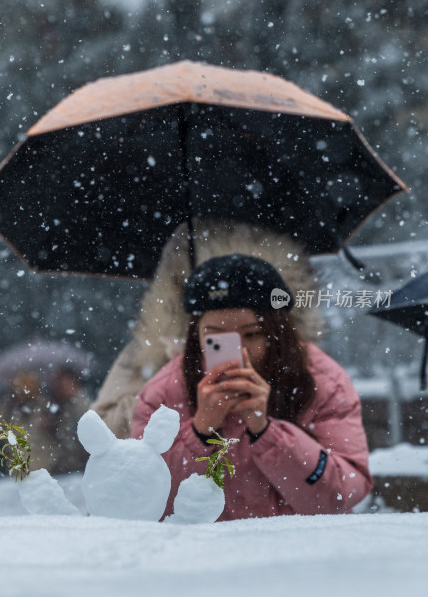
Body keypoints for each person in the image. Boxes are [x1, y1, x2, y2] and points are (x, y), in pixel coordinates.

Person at [131, 254, 373, 520]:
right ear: (195, 334)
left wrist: (267, 432)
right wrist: (200, 429)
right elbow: (144, 498)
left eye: (252, 334)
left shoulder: (323, 381)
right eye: (215, 337)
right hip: (203, 553)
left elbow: (342, 494)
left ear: (279, 330)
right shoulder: (165, 393)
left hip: (302, 549)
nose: (239, 351)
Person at [92, 219, 322, 439]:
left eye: (252, 333)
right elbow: (104, 435)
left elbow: (333, 466)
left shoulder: (307, 364)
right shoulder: (152, 350)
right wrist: (170, 381)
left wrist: (266, 423)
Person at [46, 365, 90, 474]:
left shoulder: (82, 406)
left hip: (79, 468)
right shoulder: (63, 405)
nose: (59, 388)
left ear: (75, 383)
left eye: (63, 383)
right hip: (69, 468)